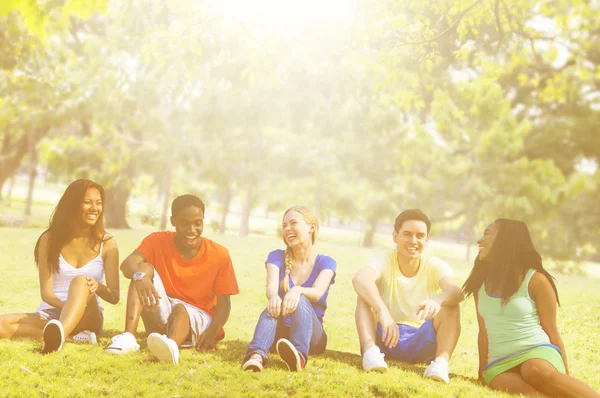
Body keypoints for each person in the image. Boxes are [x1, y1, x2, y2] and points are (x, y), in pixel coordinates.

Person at [462, 219, 599, 397]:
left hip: (536, 352)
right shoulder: (479, 282)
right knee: (520, 390)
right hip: (499, 363)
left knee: (535, 371)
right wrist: (482, 371)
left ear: (505, 239)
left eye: (487, 234)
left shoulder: (535, 280)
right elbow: (483, 331)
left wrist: (564, 376)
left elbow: (552, 330)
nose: (480, 240)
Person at [106, 194, 239, 364]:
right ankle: (128, 337)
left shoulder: (220, 254)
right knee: (143, 269)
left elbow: (224, 304)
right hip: (163, 312)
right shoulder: (157, 240)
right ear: (173, 220)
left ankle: (171, 348)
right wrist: (141, 277)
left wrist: (212, 332)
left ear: (203, 221)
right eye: (185, 223)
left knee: (181, 309)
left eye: (197, 223)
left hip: (197, 317)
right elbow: (128, 264)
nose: (192, 230)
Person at [0, 179, 120, 353]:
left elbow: (114, 297)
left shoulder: (107, 243)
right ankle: (67, 336)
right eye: (87, 202)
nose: (95, 208)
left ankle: (59, 336)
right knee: (2, 324)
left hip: (89, 314)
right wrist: (70, 307)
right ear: (72, 205)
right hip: (52, 312)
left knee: (81, 281)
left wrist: (97, 286)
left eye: (98, 203)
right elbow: (46, 293)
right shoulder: (49, 240)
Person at [352, 209, 462, 382]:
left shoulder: (435, 265)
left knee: (451, 306)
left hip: (420, 339)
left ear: (427, 240)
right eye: (407, 234)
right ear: (395, 237)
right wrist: (384, 313)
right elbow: (360, 279)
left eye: (420, 235)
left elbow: (456, 291)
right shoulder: (385, 259)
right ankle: (370, 353)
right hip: (386, 335)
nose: (413, 241)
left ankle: (440, 364)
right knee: (364, 297)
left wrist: (438, 300)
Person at [242, 206, 336, 372]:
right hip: (281, 334)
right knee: (272, 306)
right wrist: (274, 298)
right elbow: (271, 288)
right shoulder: (276, 256)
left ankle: (299, 356)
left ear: (311, 228)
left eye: (293, 223)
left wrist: (297, 290)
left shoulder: (326, 262)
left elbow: (317, 293)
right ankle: (256, 356)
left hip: (313, 338)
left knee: (301, 298)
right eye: (284, 225)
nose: (287, 229)